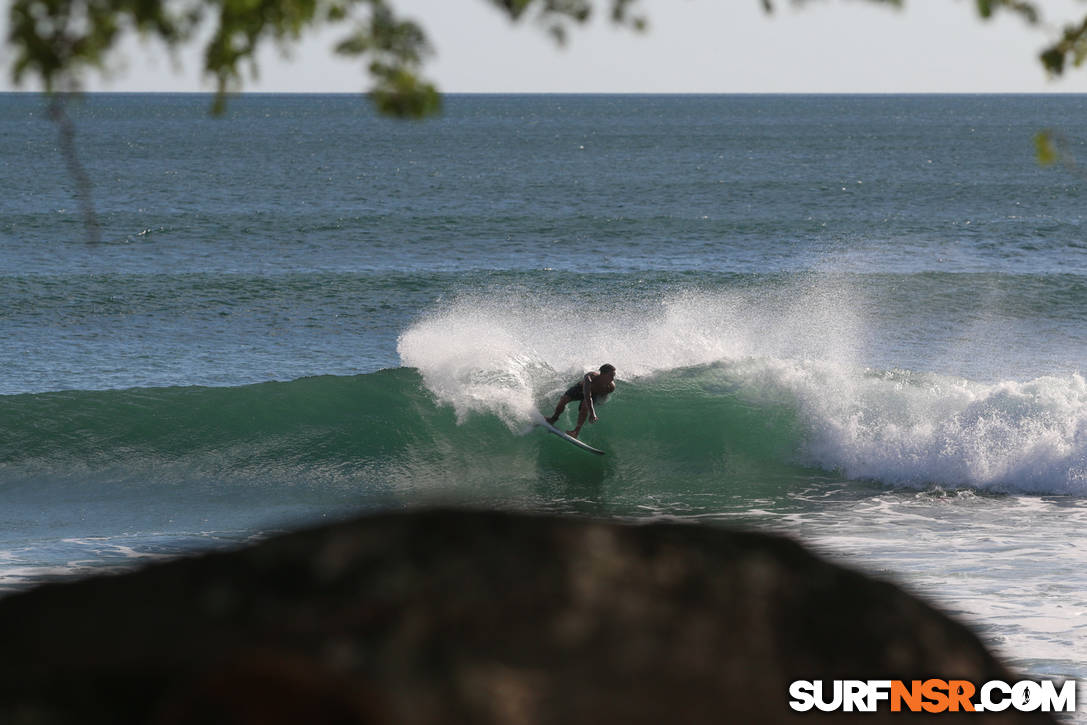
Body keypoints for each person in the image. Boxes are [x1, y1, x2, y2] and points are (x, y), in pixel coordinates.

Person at [546, 364, 616, 439]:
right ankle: (553, 419)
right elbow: (587, 396)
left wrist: (598, 402)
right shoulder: (590, 377)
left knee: (585, 407)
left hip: (593, 394)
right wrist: (592, 413)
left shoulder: (611, 387)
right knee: (564, 400)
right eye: (611, 375)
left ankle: (576, 431)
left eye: (614, 375)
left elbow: (602, 397)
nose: (613, 378)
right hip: (580, 389)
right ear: (603, 374)